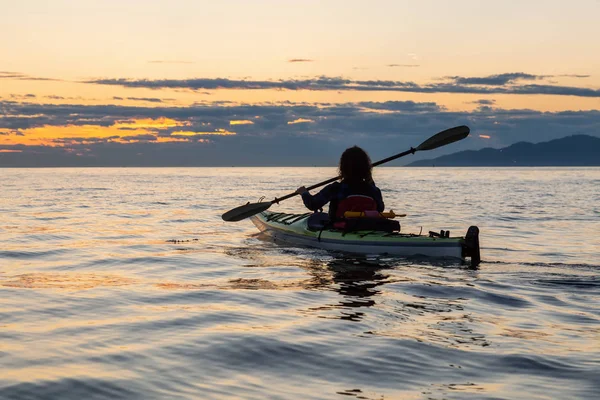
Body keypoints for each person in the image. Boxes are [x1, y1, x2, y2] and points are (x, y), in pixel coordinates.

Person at [296, 146, 384, 220]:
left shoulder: (335, 188)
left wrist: (304, 193)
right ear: (366, 169)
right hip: (369, 227)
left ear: (342, 168)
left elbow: (313, 204)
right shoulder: (373, 190)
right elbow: (380, 209)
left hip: (340, 228)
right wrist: (370, 180)